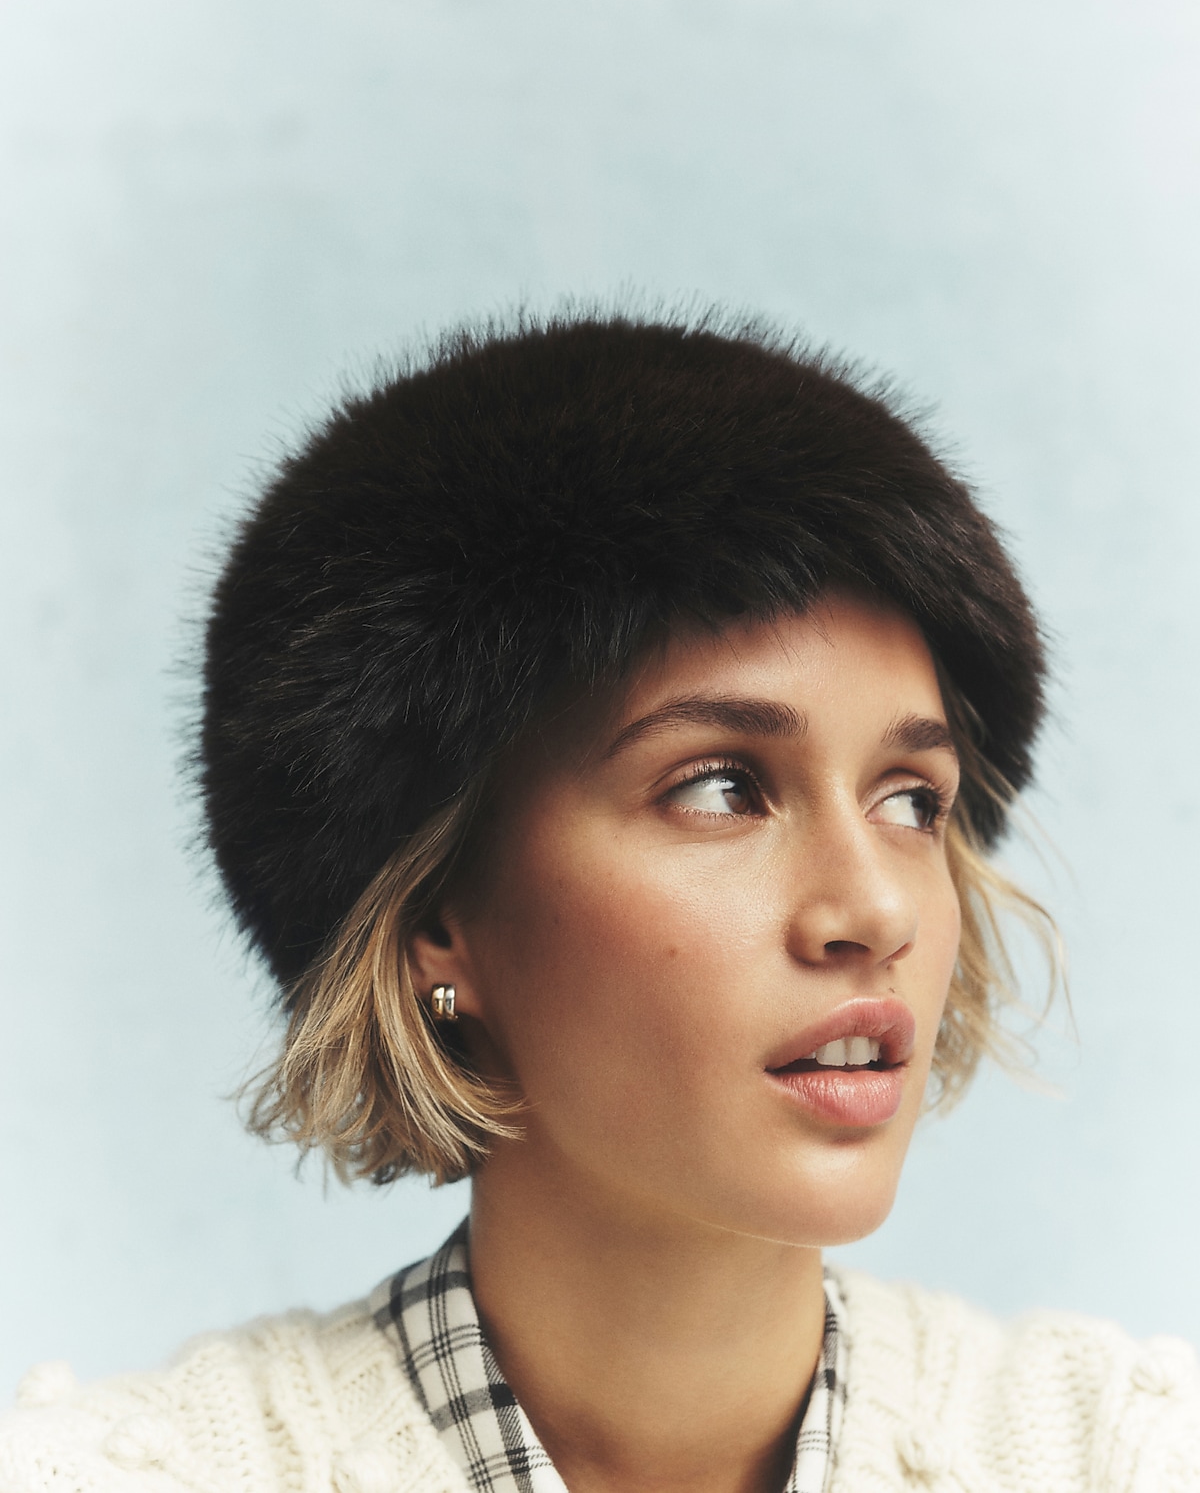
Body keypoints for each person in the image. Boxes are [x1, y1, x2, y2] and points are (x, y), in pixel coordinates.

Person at [3, 311, 1197, 1492]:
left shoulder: (1127, 1454)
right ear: (434, 919)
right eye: (722, 788)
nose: (875, 909)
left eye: (910, 800)